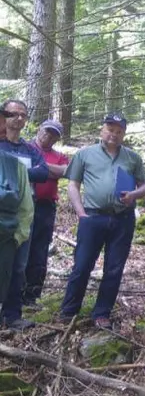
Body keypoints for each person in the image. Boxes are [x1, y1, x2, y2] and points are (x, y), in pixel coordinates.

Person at [59, 113, 145, 329]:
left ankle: (102, 313)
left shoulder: (132, 158)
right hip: (93, 217)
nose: (113, 134)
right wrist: (81, 213)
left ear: (123, 134)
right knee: (82, 265)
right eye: (110, 130)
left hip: (123, 219)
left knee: (114, 268)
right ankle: (69, 310)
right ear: (102, 130)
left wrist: (134, 195)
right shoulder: (85, 154)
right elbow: (73, 184)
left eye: (119, 131)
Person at [0, 99, 49, 330]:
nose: (18, 118)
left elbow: (43, 172)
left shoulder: (30, 149)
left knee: (19, 265)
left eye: (23, 115)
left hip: (24, 213)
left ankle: (12, 314)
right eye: (13, 114)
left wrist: (16, 171)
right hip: (2, 212)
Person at [23, 120, 69, 307]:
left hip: (45, 207)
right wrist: (46, 170)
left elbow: (64, 171)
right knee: (18, 247)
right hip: (22, 205)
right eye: (46, 131)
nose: (48, 136)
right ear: (39, 129)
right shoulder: (24, 147)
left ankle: (31, 295)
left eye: (54, 134)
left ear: (58, 138)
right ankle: (11, 292)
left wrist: (38, 166)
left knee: (40, 249)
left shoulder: (59, 156)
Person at [0, 108, 34, 324]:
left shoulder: (15, 166)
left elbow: (25, 206)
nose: (4, 127)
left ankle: (11, 317)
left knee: (10, 277)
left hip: (6, 238)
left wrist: (18, 236)